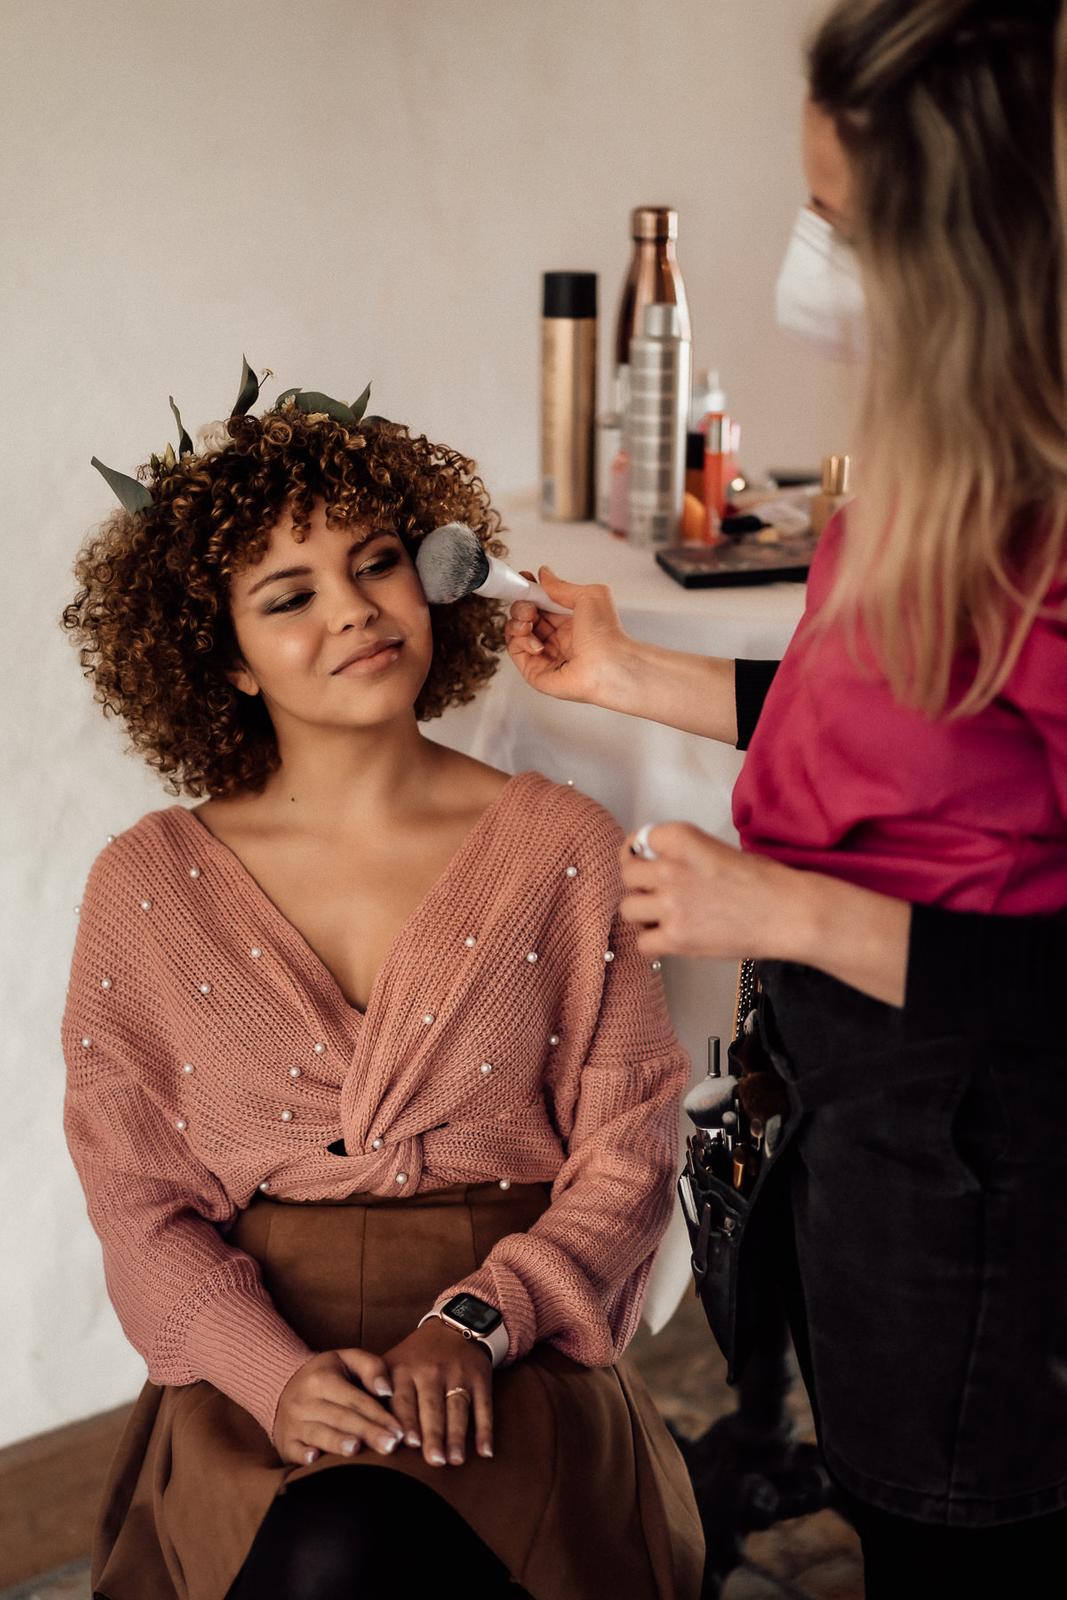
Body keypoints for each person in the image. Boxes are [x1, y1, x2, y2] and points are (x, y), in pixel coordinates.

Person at [504, 2, 1067, 1594]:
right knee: (886, 1483)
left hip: (982, 1123)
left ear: (970, 247)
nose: (805, 257)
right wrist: (632, 675)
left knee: (957, 1522)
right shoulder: (933, 451)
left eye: (839, 221)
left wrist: (785, 908)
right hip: (853, 1089)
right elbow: (871, 721)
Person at [60, 383, 704, 1600]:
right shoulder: (144, 885)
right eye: (288, 596)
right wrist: (272, 1377)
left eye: (376, 564)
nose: (354, 609)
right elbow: (135, 1201)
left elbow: (629, 1149)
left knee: (353, 1551)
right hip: (257, 1353)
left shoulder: (561, 846)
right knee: (321, 1548)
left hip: (514, 1338)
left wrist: (478, 1321)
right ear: (223, 656)